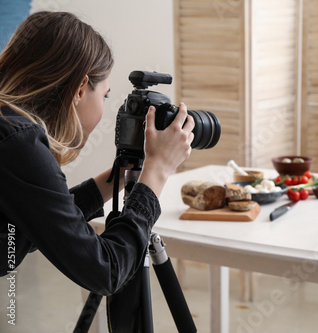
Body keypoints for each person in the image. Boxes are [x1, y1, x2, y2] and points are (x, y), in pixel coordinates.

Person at [0, 11, 195, 295]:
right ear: (80, 88)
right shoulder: (21, 144)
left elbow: (49, 218)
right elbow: (106, 270)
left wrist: (120, 174)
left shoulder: (9, 130)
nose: (104, 106)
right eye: (104, 95)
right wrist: (158, 170)